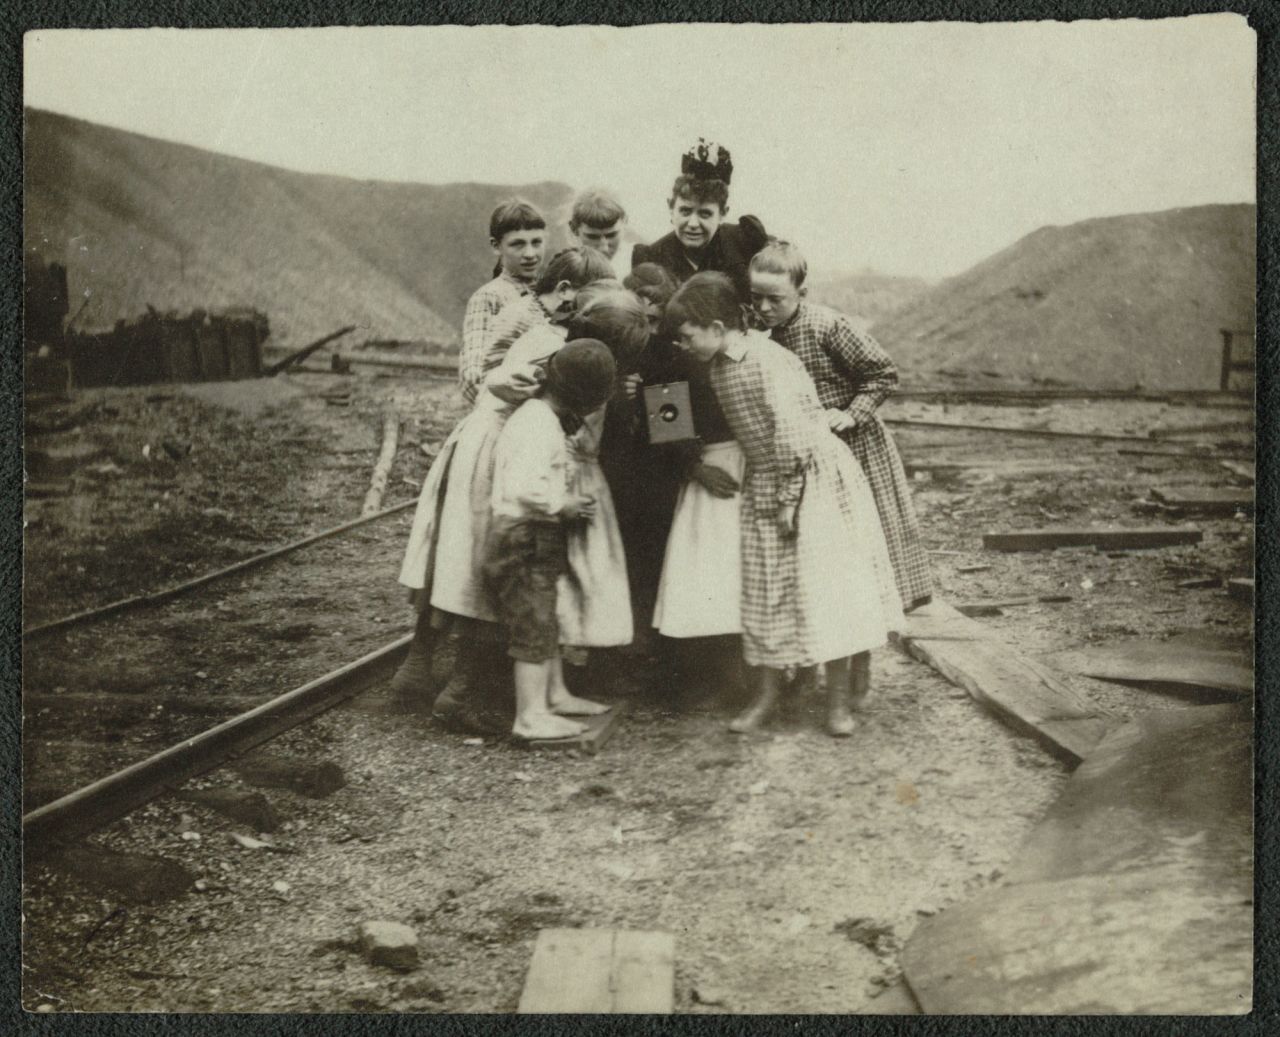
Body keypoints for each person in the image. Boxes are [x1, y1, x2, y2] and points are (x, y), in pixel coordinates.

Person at [665, 272, 902, 736]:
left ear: (715, 325)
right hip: (768, 480)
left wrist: (788, 499)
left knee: (826, 590)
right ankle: (767, 693)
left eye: (686, 334)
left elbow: (794, 437)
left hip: (809, 483)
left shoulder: (769, 361)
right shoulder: (716, 365)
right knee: (766, 589)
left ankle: (836, 702)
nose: (681, 343)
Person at [389, 249, 614, 724]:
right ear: (572, 296)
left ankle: (437, 676)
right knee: (486, 570)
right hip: (500, 447)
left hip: (492, 440)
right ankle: (464, 690)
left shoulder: (544, 328)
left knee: (463, 564)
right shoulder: (547, 338)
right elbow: (497, 382)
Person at [631, 141, 770, 702]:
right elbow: (657, 368)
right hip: (683, 404)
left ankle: (747, 661)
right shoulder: (652, 254)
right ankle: (678, 665)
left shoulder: (743, 243)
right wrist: (686, 456)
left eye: (705, 214)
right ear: (670, 208)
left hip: (739, 408)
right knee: (682, 542)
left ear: (723, 211)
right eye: (684, 211)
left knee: (740, 546)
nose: (693, 223)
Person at [749, 241, 933, 616]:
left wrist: (852, 413)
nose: (764, 308)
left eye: (775, 299)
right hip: (808, 448)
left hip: (855, 442)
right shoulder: (758, 331)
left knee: (875, 520)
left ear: (801, 293)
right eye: (756, 297)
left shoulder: (826, 326)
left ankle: (891, 603)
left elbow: (882, 372)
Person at [483, 339, 619, 741]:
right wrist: (565, 504)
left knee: (548, 617)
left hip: (535, 534)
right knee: (533, 626)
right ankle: (529, 716)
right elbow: (528, 488)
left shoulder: (540, 416)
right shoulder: (537, 423)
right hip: (524, 534)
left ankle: (554, 696)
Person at [457, 199, 548, 405]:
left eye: (536, 242)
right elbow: (472, 377)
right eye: (518, 244)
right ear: (496, 246)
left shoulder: (556, 292)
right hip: (507, 414)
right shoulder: (489, 297)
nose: (530, 254)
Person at [569, 188, 628, 268]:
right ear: (574, 229)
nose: (603, 248)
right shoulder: (563, 270)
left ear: (625, 223)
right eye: (593, 237)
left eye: (612, 235)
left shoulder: (640, 263)